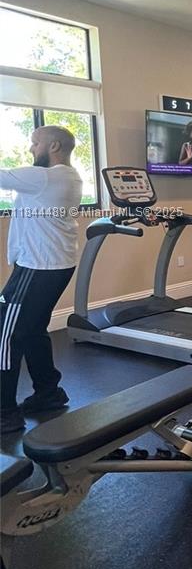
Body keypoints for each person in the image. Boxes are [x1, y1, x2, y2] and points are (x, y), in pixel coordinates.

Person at [0, 125, 83, 434]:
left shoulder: (45, 177)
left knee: (5, 334)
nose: (30, 149)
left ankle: (4, 412)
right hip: (55, 265)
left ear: (54, 146)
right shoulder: (71, 176)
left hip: (37, 267)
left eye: (35, 143)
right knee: (33, 329)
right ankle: (49, 393)